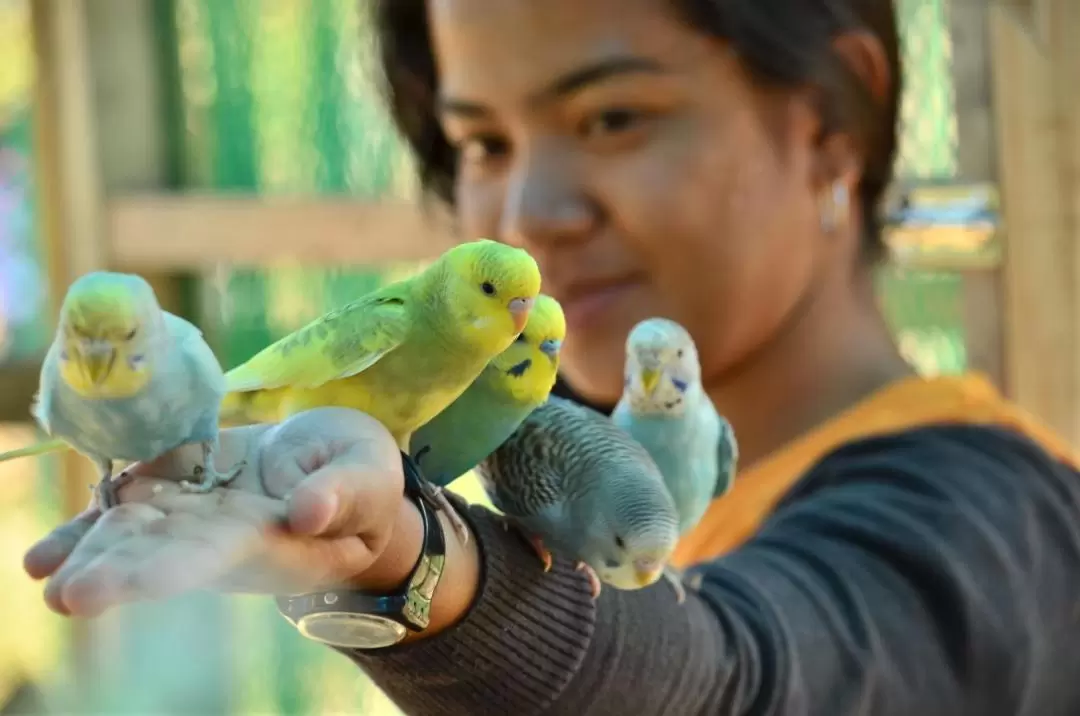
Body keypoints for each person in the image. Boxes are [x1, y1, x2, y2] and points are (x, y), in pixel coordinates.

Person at [22, 0, 1080, 713]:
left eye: (613, 116)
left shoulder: (995, 522)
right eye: (483, 143)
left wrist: (429, 564)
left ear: (829, 124)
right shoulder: (540, 435)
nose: (531, 213)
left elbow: (738, 674)